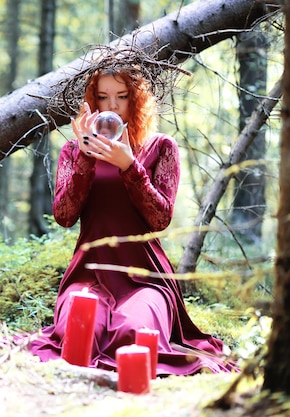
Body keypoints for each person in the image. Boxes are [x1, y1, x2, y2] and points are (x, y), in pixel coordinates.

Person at [28, 49, 234, 375]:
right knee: (78, 332)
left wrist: (129, 166)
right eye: (103, 97)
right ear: (92, 102)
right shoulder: (73, 150)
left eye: (122, 97)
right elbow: (64, 216)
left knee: (134, 334)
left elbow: (160, 219)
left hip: (146, 279)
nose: (112, 106)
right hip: (88, 274)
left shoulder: (161, 147)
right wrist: (84, 158)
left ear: (136, 101)